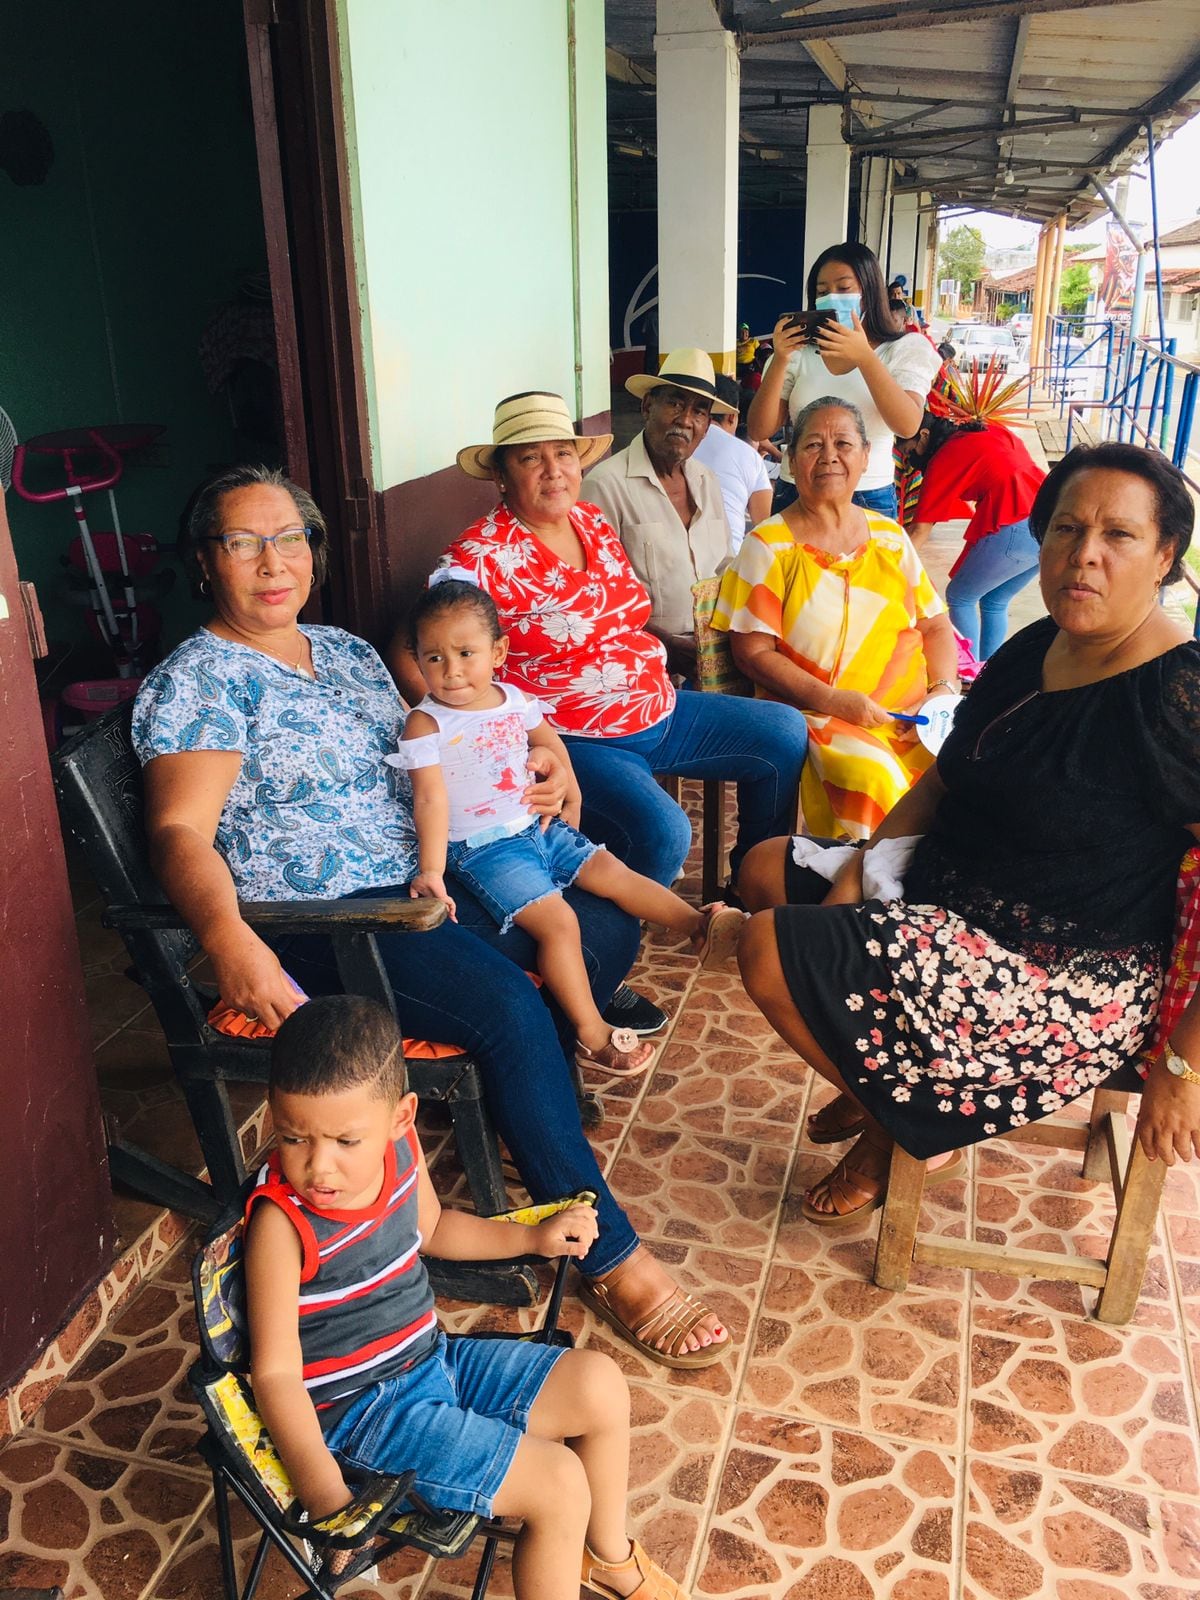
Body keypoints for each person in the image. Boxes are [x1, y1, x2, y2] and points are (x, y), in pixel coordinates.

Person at [133, 463, 729, 1368]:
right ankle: (611, 1254)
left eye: (288, 537)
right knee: (511, 1006)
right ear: (205, 562)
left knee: (603, 927)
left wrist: (545, 756)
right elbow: (180, 830)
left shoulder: (341, 650)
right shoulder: (203, 681)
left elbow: (449, 733)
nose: (271, 561)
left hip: (427, 878)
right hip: (333, 921)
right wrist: (228, 936)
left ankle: (519, 1095)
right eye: (242, 542)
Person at [735, 442, 1200, 1225]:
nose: (1083, 556)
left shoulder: (1176, 695)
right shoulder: (1036, 647)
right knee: (760, 870)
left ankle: (906, 1127)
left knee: (767, 951)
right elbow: (943, 779)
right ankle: (885, 1088)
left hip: (1058, 976)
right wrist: (868, 863)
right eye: (1062, 529)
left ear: (1165, 557)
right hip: (951, 897)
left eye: (1117, 536)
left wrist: (1184, 1066)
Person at [246, 994, 689, 1600]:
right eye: (293, 1137)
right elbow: (274, 1374)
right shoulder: (282, 1222)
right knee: (557, 1484)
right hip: (365, 1417)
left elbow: (433, 1230)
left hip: (433, 1360)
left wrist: (532, 1235)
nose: (318, 1167)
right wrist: (329, 1500)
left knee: (601, 1384)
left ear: (402, 1117)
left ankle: (605, 1558)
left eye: (345, 1141)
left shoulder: (400, 1152)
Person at [422, 392, 809, 895]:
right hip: (574, 734)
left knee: (782, 731)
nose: (552, 470)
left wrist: (675, 648)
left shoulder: (592, 521)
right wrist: (483, 738)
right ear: (500, 474)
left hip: (658, 708)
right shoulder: (477, 557)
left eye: (562, 453)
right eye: (530, 457)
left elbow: (621, 616)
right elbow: (414, 652)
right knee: (665, 832)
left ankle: (755, 883)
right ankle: (607, 941)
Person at [393, 576, 728, 1076]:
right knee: (560, 923)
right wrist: (433, 871)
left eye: (467, 653)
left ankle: (701, 927)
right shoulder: (427, 724)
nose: (453, 671)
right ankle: (590, 1034)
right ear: (417, 660)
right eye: (434, 657)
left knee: (615, 873)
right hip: (486, 850)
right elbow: (430, 799)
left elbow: (552, 745)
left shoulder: (512, 698)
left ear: (498, 651)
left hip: (538, 826)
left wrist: (572, 794)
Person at [714, 397, 959, 841]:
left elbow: (936, 625)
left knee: (964, 775)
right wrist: (833, 701)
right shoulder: (769, 545)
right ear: (790, 461)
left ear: (866, 457)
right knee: (875, 779)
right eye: (812, 445)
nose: (829, 456)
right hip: (819, 713)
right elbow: (751, 653)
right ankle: (864, 898)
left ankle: (931, 896)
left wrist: (941, 693)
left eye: (843, 443)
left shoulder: (891, 538)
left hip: (911, 716)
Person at [747, 241, 942, 520]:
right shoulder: (799, 354)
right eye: (822, 292)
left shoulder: (903, 349)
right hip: (798, 492)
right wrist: (779, 359)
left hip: (868, 495)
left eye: (844, 288)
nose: (832, 297)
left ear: (868, 293)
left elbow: (907, 424)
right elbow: (758, 429)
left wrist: (865, 357)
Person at [581, 347, 735, 680]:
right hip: (640, 665)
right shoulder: (605, 485)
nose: (685, 420)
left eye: (699, 411)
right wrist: (661, 642)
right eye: (675, 403)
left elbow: (725, 565)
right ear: (648, 406)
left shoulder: (706, 480)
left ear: (707, 426)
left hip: (713, 658)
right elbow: (595, 596)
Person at [900, 411, 1045, 661]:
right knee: (994, 601)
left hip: (1014, 520)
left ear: (924, 435)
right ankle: (987, 673)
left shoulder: (945, 458)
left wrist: (891, 567)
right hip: (1047, 520)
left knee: (960, 597)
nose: (910, 459)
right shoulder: (985, 431)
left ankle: (968, 675)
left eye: (909, 450)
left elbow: (920, 530)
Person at [693, 374, 773, 554]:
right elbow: (765, 525)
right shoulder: (748, 455)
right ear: (731, 416)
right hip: (729, 564)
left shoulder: (677, 446)